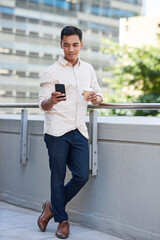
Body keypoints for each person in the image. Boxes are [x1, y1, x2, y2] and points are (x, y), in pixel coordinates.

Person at [38, 26, 103, 239]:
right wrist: (51, 100)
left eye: (75, 45)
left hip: (78, 130)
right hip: (56, 131)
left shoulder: (88, 69)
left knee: (82, 175)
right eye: (66, 45)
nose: (71, 49)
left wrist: (97, 99)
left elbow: (98, 93)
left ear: (81, 45)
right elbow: (43, 103)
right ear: (61, 45)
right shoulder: (50, 71)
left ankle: (51, 207)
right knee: (57, 178)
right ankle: (62, 220)